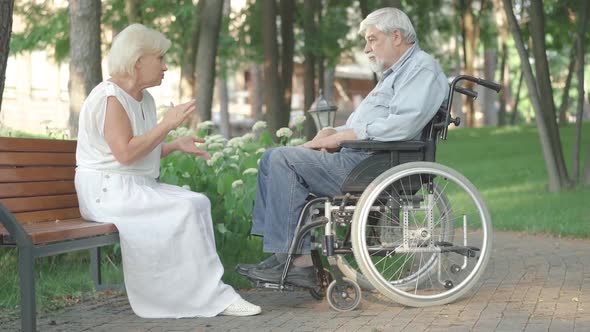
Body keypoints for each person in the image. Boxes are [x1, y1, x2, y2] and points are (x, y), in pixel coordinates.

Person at [237, 7, 449, 287]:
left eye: (372, 39)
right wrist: (333, 132)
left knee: (282, 160)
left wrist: (340, 138)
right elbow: (371, 123)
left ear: (396, 36)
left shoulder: (421, 68)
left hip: (375, 164)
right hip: (363, 156)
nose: (366, 48)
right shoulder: (395, 73)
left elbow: (402, 126)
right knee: (270, 159)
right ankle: (283, 257)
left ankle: (297, 263)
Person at [75, 23, 261, 318]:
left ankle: (202, 293)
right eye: (160, 58)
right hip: (106, 190)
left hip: (131, 185)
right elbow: (125, 154)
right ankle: (209, 298)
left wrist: (174, 145)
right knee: (184, 210)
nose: (165, 66)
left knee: (198, 203)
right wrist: (167, 125)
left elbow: (138, 150)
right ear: (138, 61)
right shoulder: (111, 97)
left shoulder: (144, 98)